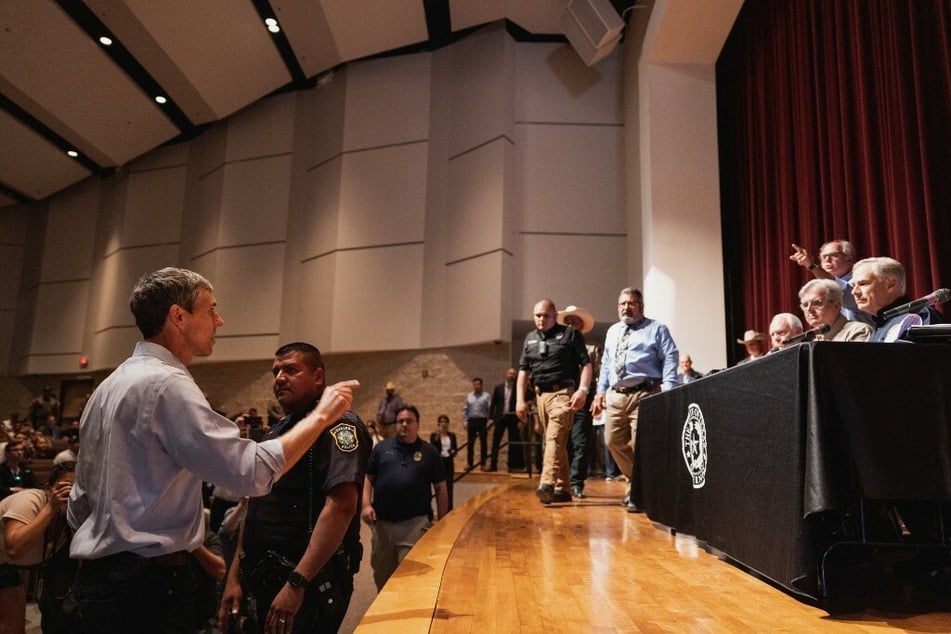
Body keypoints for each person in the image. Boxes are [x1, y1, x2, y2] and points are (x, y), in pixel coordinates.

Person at [66, 267, 358, 633]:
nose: (219, 320)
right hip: (145, 591)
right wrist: (322, 416)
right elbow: (250, 473)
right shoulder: (166, 384)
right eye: (211, 309)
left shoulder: (106, 388)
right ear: (179, 316)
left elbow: (78, 507)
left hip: (96, 583)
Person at [221, 341, 370, 634]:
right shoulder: (279, 431)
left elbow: (341, 507)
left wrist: (297, 583)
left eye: (290, 370)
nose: (279, 378)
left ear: (317, 377)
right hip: (262, 576)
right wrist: (234, 577)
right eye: (275, 371)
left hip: (307, 583)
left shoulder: (340, 425)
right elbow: (254, 505)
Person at [591, 288, 678, 512]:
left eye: (631, 303)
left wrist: (668, 388)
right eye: (622, 303)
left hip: (645, 394)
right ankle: (641, 485)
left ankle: (638, 493)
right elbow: (607, 362)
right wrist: (601, 391)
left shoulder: (656, 329)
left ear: (641, 306)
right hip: (616, 395)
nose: (626, 307)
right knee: (612, 441)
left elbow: (670, 356)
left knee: (642, 445)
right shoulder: (612, 331)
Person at [361, 405, 448, 590]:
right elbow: (368, 479)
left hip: (414, 525)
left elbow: (441, 488)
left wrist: (442, 522)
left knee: (410, 577)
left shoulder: (429, 452)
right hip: (382, 525)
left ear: (417, 424)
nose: (404, 425)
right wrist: (366, 505)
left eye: (409, 421)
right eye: (401, 421)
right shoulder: (381, 449)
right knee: (382, 575)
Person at [516, 299, 592, 505]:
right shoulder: (529, 338)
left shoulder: (570, 334)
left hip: (563, 395)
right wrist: (520, 400)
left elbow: (586, 364)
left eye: (546, 315)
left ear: (554, 315)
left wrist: (582, 390)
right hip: (540, 397)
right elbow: (523, 371)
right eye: (537, 315)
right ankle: (563, 487)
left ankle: (547, 483)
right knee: (555, 442)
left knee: (554, 438)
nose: (541, 319)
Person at [0, 461, 76, 634]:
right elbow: (14, 549)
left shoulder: (74, 515)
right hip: (7, 560)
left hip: (9, 567)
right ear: (49, 488)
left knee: (14, 627)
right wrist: (51, 506)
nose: (72, 493)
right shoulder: (31, 500)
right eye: (67, 486)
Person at [557, 305, 598, 499]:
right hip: (561, 398)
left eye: (575, 321)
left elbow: (596, 374)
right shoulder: (559, 347)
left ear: (582, 325)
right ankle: (560, 482)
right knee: (561, 441)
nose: (571, 325)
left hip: (583, 399)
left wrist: (593, 397)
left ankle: (576, 483)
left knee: (581, 442)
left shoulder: (592, 350)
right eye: (568, 322)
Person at [851, 256, 943, 342]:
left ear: (890, 284)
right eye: (853, 285)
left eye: (863, 284)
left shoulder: (920, 315)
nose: (854, 292)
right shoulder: (880, 324)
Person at [789, 239, 872, 324]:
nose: (827, 260)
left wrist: (812, 266)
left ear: (849, 259)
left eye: (834, 255)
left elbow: (844, 291)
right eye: (824, 257)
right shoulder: (821, 287)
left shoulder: (862, 281)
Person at [798, 279, 872, 342]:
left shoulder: (858, 331)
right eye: (805, 305)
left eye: (817, 303)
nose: (809, 309)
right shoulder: (810, 341)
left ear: (836, 305)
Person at [487, 368, 525, 473]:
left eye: (513, 374)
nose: (511, 375)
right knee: (496, 442)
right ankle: (493, 465)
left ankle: (512, 466)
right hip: (500, 417)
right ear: (506, 374)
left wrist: (521, 420)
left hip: (512, 417)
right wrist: (490, 418)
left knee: (513, 442)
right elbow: (493, 404)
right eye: (510, 373)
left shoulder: (518, 389)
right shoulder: (498, 388)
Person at [429, 414, 458, 510]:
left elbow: (455, 449)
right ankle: (441, 510)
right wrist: (437, 437)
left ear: (448, 423)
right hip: (440, 462)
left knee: (450, 487)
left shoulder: (452, 436)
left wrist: (453, 452)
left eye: (445, 421)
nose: (443, 423)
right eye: (441, 421)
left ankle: (450, 509)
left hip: (449, 461)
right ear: (438, 423)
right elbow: (433, 449)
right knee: (441, 487)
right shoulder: (434, 435)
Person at [462, 377, 491, 471]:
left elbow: (489, 410)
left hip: (482, 421)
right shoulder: (469, 396)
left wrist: (489, 422)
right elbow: (465, 410)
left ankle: (483, 465)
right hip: (472, 421)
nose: (476, 386)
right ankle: (470, 464)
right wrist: (465, 422)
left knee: (483, 444)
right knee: (470, 443)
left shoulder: (486, 396)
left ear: (482, 385)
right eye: (475, 384)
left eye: (478, 384)